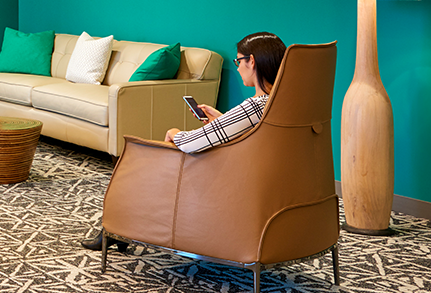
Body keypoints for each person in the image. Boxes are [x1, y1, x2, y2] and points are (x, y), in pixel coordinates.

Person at [81, 32, 287, 252]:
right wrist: (222, 120)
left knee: (145, 161)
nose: (237, 68)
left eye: (238, 61)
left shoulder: (254, 105)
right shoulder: (281, 102)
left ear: (252, 61)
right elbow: (253, 134)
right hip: (257, 174)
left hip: (229, 176)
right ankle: (120, 229)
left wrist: (175, 132)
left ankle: (116, 228)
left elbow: (192, 143)